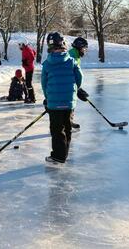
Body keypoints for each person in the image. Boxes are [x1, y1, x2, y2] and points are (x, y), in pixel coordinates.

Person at [41, 32, 83, 164]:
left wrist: (47, 98)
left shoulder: (47, 64)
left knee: (57, 130)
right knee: (67, 128)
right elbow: (79, 78)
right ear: (64, 45)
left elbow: (44, 83)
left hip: (54, 103)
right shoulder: (71, 61)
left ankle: (58, 156)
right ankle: (64, 153)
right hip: (69, 102)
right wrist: (74, 90)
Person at [68, 37, 88, 129]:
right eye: (84, 48)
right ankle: (67, 122)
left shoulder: (75, 55)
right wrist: (77, 87)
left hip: (71, 84)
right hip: (67, 85)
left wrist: (78, 88)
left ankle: (69, 121)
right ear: (79, 47)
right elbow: (70, 74)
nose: (85, 50)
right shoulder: (72, 56)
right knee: (69, 102)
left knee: (71, 102)